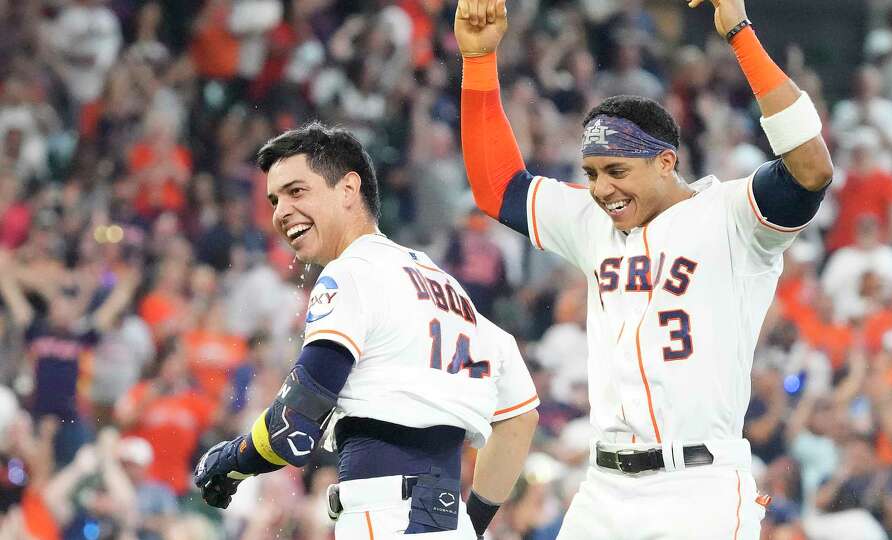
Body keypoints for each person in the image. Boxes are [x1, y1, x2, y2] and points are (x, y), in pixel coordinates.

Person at [454, 0, 833, 538]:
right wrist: (479, 61)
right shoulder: (592, 220)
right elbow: (498, 188)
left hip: (698, 486)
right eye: (591, 173)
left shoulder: (731, 217)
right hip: (603, 489)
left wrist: (740, 33)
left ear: (665, 161)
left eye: (616, 170)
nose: (602, 188)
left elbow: (812, 167)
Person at [193, 122, 540, 539]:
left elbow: (294, 425)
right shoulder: (449, 289)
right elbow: (520, 417)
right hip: (448, 522)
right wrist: (471, 523)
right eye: (274, 199)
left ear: (347, 188)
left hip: (384, 516)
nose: (280, 211)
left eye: (296, 191)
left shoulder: (351, 273)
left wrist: (230, 460)